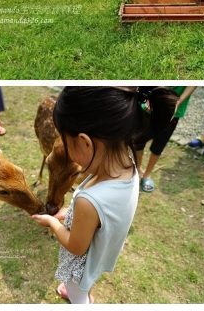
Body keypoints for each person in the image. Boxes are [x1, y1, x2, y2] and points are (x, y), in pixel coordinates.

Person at [31, 87, 141, 303]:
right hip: (99, 257)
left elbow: (76, 246)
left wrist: (52, 223)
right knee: (86, 281)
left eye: (66, 141)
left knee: (78, 295)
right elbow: (103, 217)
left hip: (79, 268)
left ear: (84, 142)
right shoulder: (130, 168)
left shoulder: (88, 201)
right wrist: (68, 214)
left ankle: (81, 297)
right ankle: (84, 290)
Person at [133, 86, 198, 193]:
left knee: (159, 145)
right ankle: (138, 169)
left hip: (173, 108)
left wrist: (178, 102)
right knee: (139, 141)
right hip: (149, 105)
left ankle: (147, 175)